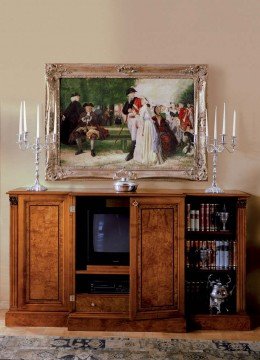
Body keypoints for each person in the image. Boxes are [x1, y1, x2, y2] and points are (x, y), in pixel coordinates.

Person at [134, 99, 163, 165]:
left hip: (149, 125)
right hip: (147, 125)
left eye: (143, 100)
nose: (141, 101)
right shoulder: (144, 108)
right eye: (141, 100)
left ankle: (151, 157)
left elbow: (144, 119)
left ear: (145, 101)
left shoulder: (146, 108)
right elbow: (142, 119)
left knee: (151, 140)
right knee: (148, 140)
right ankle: (148, 157)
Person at [122, 87, 142, 161]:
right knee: (133, 136)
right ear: (128, 95)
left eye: (133, 93)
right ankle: (134, 152)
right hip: (130, 120)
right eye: (131, 93)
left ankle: (131, 154)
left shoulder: (138, 100)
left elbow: (141, 109)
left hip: (136, 120)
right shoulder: (128, 101)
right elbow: (124, 111)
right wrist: (128, 110)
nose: (133, 94)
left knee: (134, 137)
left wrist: (133, 111)